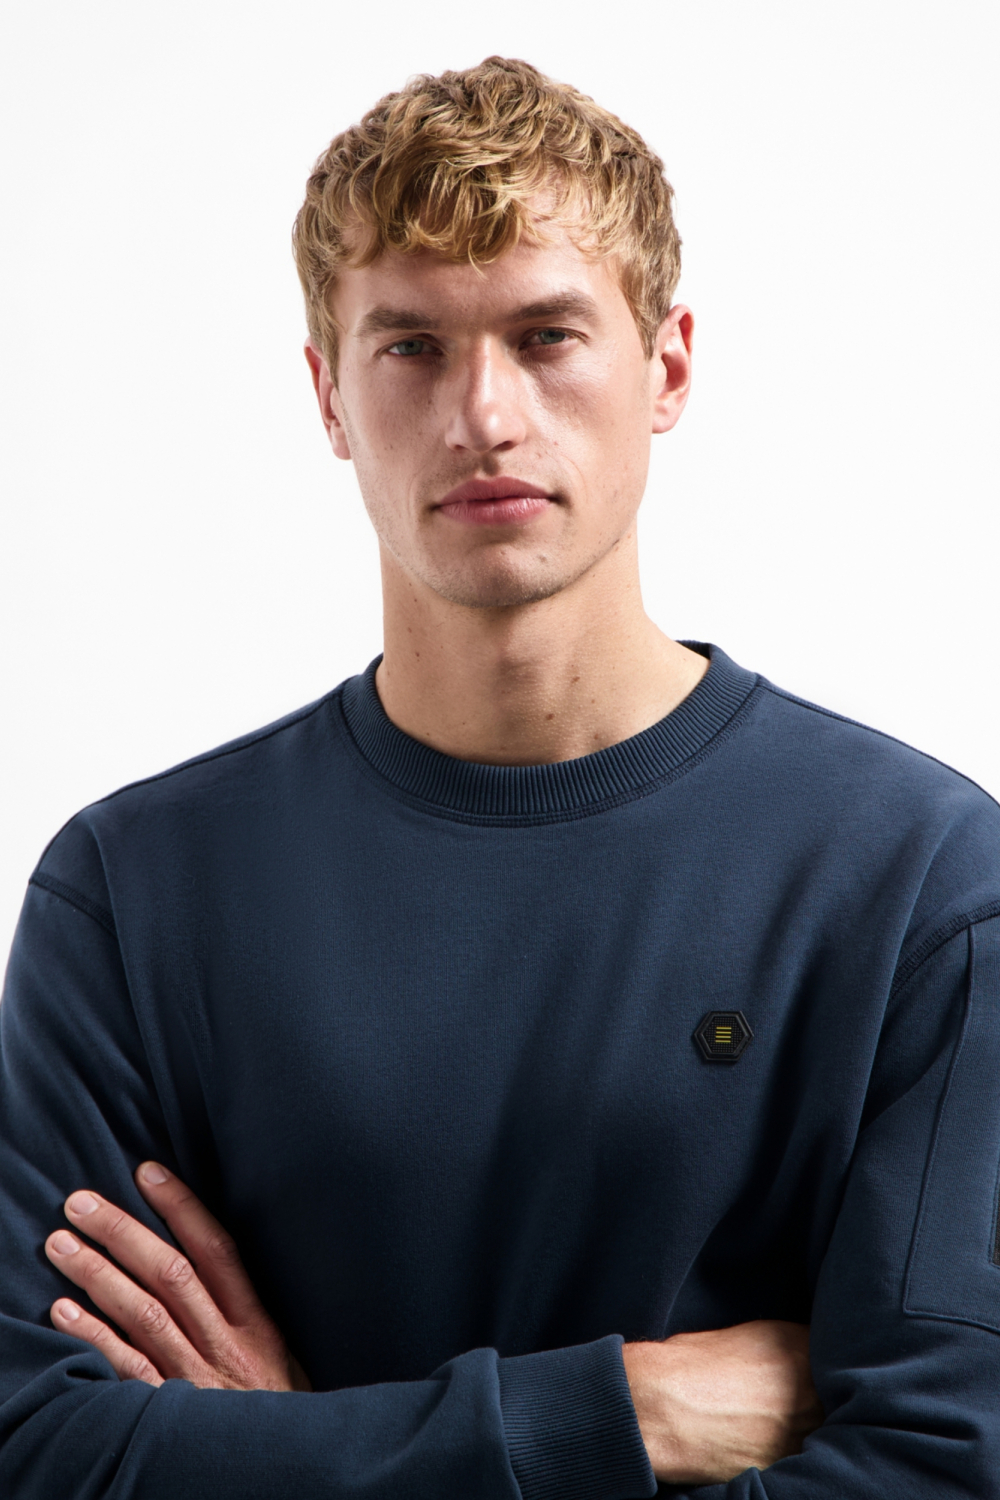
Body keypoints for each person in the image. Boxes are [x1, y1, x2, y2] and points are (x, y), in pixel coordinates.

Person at [1, 54, 998, 1500]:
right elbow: (39, 1452)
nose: (484, 414)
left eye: (546, 336)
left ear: (667, 369)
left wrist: (296, 1455)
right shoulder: (134, 895)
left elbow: (938, 1471)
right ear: (328, 396)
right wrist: (625, 1412)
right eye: (411, 345)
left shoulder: (921, 885)